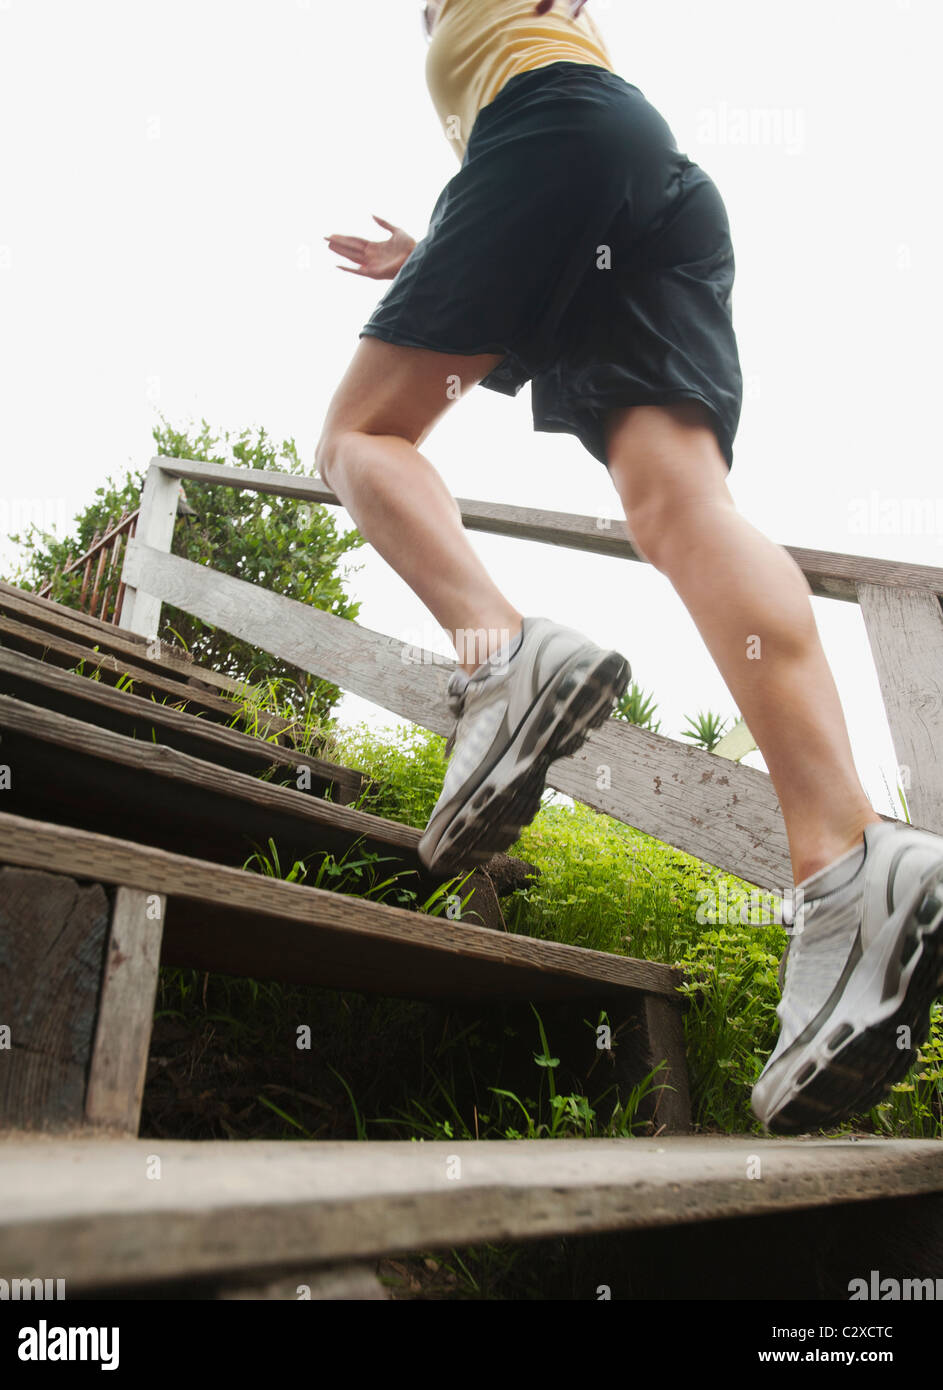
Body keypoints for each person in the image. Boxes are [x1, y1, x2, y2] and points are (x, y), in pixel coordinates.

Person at [317, 0, 943, 1135]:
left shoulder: (496, 35)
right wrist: (439, 254)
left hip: (552, 145)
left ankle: (501, 654)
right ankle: (845, 860)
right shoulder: (534, 32)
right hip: (633, 177)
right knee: (679, 505)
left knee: (361, 438)